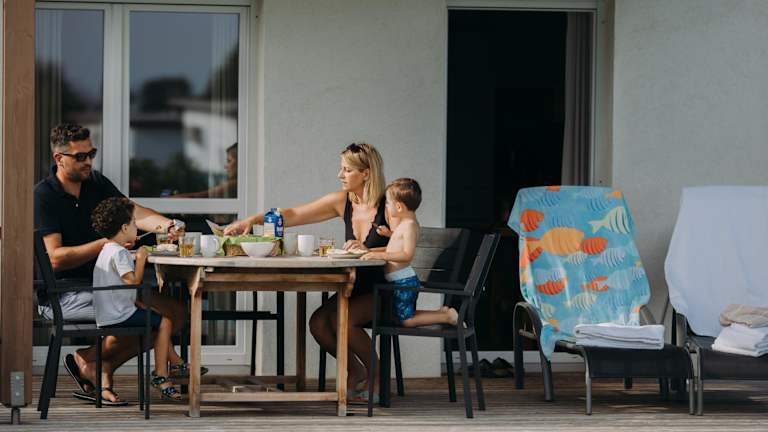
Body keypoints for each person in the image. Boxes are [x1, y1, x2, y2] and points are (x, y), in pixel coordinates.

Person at [224, 143, 391, 397]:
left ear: (366, 173)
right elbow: (293, 214)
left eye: (347, 170)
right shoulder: (342, 201)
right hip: (355, 286)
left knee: (344, 321)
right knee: (318, 324)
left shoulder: (389, 205)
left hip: (385, 288)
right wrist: (252, 220)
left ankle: (378, 376)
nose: (340, 175)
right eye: (341, 169)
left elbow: (406, 247)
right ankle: (356, 371)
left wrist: (370, 250)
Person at [34, 123, 185, 404]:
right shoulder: (44, 195)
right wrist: (107, 243)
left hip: (105, 287)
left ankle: (92, 362)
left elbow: (133, 212)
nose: (88, 162)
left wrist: (168, 225)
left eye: (91, 154)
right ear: (59, 158)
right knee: (158, 315)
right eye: (80, 156)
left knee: (174, 311)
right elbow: (55, 258)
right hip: (64, 293)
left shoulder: (96, 184)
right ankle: (95, 365)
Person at [91, 197, 189, 402]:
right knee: (165, 322)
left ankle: (177, 363)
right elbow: (133, 282)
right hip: (118, 315)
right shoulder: (119, 253)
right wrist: (141, 258)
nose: (137, 228)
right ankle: (162, 375)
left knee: (157, 316)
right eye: (134, 224)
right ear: (125, 228)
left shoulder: (108, 249)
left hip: (110, 311)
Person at [361, 178, 458, 328]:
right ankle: (441, 312)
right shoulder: (405, 224)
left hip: (403, 282)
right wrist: (384, 238)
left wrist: (380, 255)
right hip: (398, 281)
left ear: (399, 207)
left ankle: (447, 316)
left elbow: (407, 254)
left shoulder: (410, 226)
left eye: (387, 203)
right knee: (403, 315)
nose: (386, 206)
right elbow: (397, 245)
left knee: (406, 320)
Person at [172, 143, 238, 199]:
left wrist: (169, 200)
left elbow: (195, 197)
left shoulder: (234, 184)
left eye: (229, 161)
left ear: (240, 162)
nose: (225, 166)